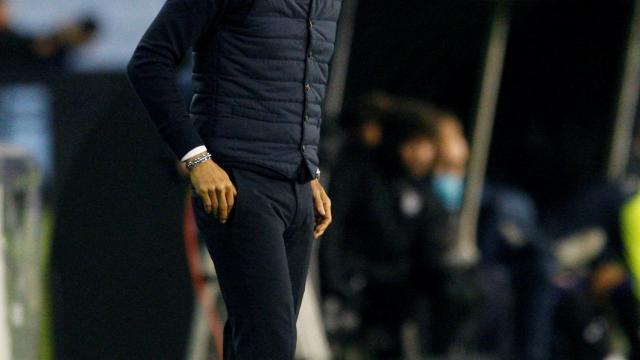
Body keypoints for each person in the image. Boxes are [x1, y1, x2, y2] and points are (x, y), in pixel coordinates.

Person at [126, 0, 341, 358]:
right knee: (269, 344)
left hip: (296, 186)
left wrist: (308, 169)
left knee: (257, 342)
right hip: (238, 184)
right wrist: (197, 157)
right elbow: (148, 62)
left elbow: (301, 83)